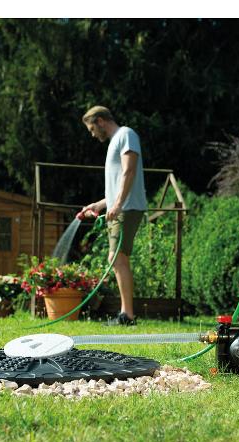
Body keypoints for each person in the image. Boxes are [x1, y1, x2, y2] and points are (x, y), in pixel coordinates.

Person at [80, 105, 147, 326]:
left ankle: (127, 316)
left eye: (91, 128)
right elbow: (119, 184)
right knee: (117, 258)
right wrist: (99, 205)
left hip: (127, 208)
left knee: (117, 258)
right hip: (122, 207)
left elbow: (129, 171)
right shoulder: (115, 142)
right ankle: (126, 314)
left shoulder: (126, 135)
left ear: (100, 121)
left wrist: (117, 205)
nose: (92, 134)